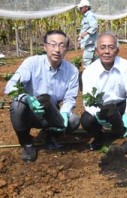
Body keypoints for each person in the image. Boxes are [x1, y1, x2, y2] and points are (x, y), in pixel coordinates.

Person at [4, 30, 80, 162]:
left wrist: (64, 112)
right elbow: (11, 86)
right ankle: (26, 142)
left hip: (51, 111)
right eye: (53, 44)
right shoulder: (32, 63)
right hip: (30, 111)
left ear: (66, 49)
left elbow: (70, 98)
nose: (57, 49)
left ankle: (51, 135)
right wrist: (27, 98)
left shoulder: (71, 70)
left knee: (73, 120)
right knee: (16, 105)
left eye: (62, 45)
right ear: (45, 46)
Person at [80, 32, 127, 151]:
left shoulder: (126, 66)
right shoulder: (89, 72)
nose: (107, 51)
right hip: (103, 108)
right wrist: (98, 114)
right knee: (87, 119)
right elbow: (88, 101)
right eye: (102, 47)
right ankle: (99, 137)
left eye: (111, 47)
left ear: (117, 51)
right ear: (96, 51)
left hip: (121, 105)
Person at [77, 0, 98, 68]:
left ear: (86, 7)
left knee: (87, 60)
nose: (80, 9)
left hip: (90, 42)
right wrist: (79, 40)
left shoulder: (90, 15)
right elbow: (84, 29)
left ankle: (87, 75)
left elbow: (94, 26)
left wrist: (86, 33)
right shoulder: (85, 16)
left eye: (81, 7)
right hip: (88, 42)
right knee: (96, 60)